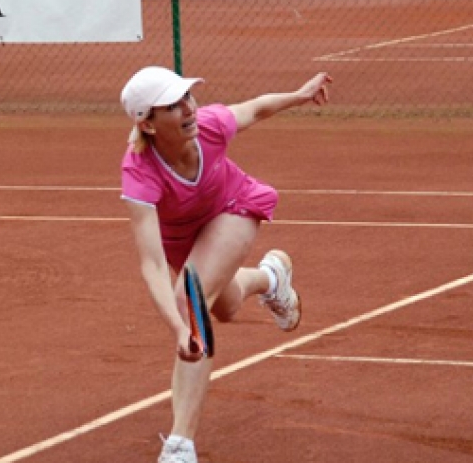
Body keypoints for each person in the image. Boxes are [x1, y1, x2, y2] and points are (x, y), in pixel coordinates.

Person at [119, 66, 333, 463]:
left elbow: (255, 109)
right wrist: (178, 328)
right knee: (226, 305)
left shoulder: (210, 125)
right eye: (173, 105)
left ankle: (181, 445)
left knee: (192, 298)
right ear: (147, 124)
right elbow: (150, 262)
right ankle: (271, 278)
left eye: (188, 97)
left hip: (234, 206)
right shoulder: (138, 172)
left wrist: (300, 95)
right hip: (182, 238)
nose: (188, 108)